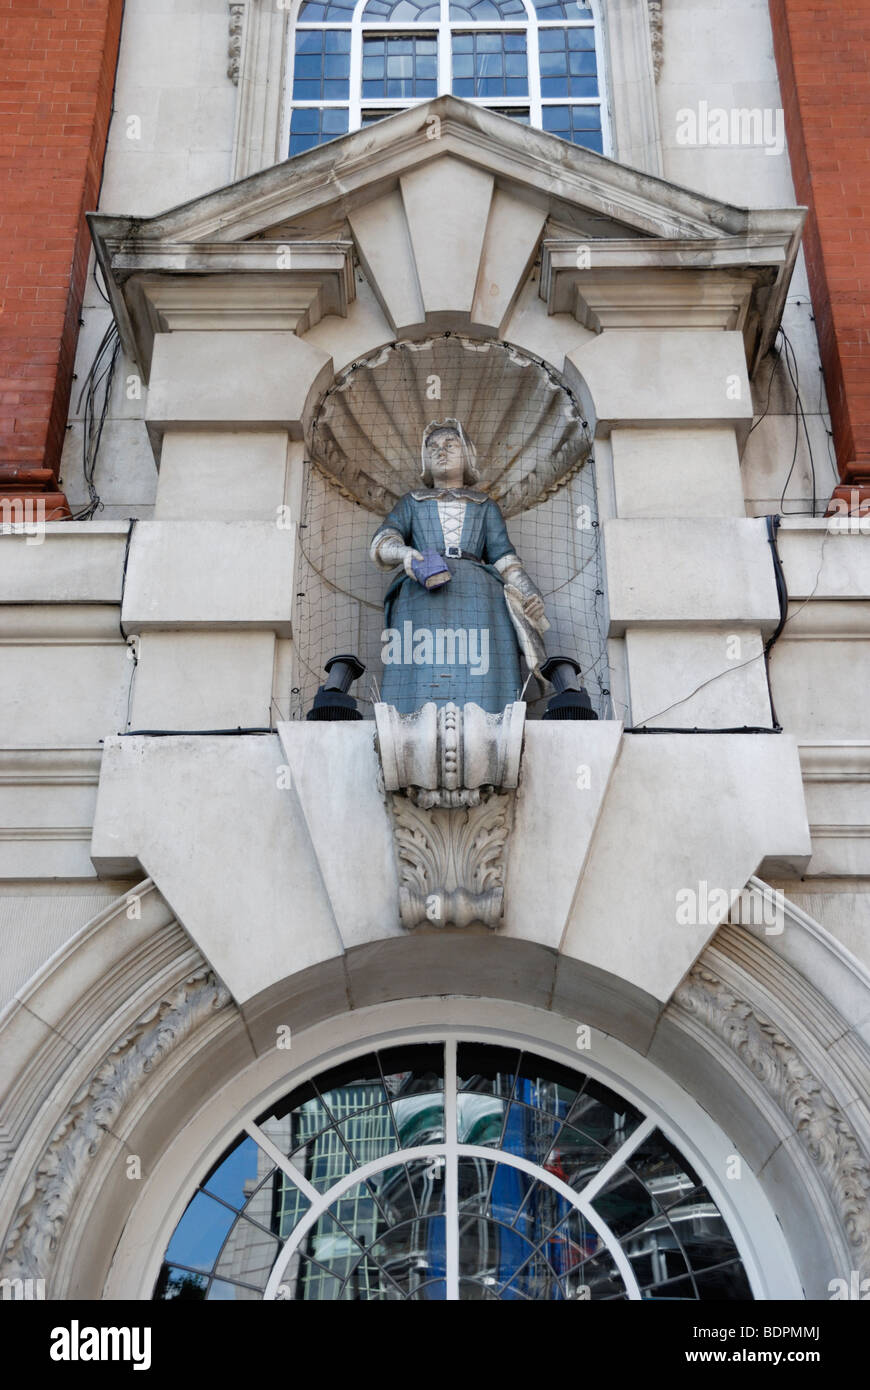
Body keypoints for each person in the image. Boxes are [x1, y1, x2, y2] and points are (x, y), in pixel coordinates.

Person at [370, 419, 548, 714]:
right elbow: (383, 540)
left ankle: (492, 712)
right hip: (422, 588)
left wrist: (529, 594)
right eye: (433, 447)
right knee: (421, 655)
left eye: (450, 445)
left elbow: (504, 559)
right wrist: (404, 554)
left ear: (466, 454)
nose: (441, 451)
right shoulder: (413, 502)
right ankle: (411, 713)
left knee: (481, 657)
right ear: (426, 459)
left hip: (480, 593)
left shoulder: (484, 505)